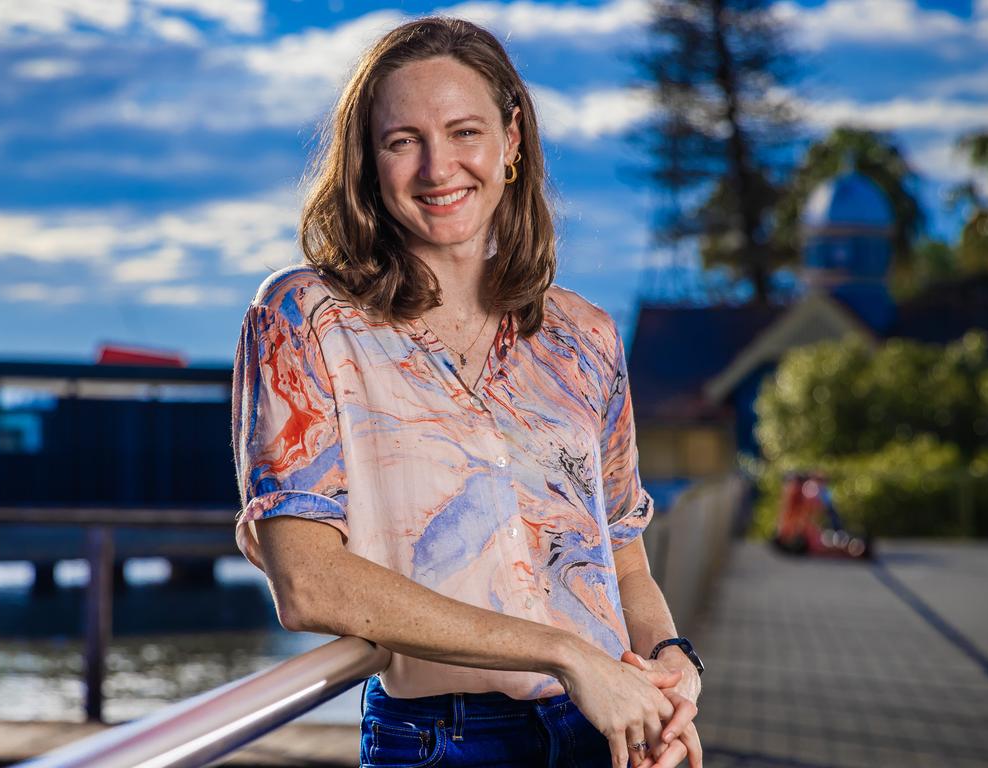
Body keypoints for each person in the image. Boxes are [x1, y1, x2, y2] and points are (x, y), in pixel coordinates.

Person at [231, 16, 703, 768]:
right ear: (368, 160)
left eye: (464, 132)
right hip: (441, 741)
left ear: (511, 141)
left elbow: (625, 556)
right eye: (402, 140)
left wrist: (671, 671)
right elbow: (307, 582)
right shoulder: (303, 321)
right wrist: (564, 655)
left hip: (610, 728)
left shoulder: (586, 337)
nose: (437, 167)